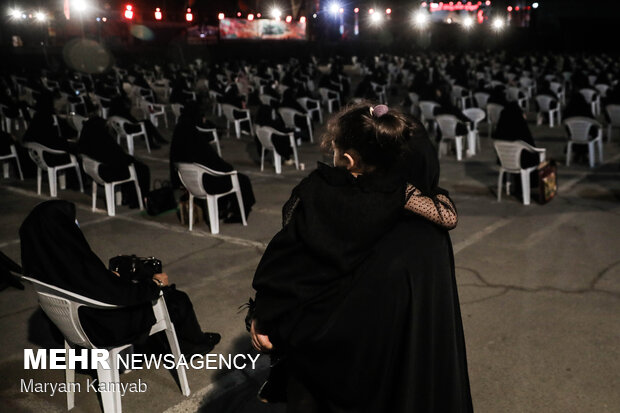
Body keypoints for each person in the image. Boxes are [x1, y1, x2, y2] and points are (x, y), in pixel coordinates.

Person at [250, 103, 472, 412]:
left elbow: (286, 266)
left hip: (320, 366)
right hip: (379, 374)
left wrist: (263, 315)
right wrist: (428, 192)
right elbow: (446, 216)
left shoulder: (315, 196)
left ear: (349, 159)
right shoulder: (407, 208)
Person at [19, 200, 221, 354]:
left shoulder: (44, 261)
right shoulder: (75, 257)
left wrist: (107, 277)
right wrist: (155, 285)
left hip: (72, 324)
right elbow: (117, 296)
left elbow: (88, 283)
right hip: (102, 327)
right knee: (175, 299)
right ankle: (196, 346)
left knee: (143, 286)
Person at [170, 102, 256, 223]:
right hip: (204, 183)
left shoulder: (180, 131)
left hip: (188, 182)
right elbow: (213, 161)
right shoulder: (193, 136)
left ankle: (223, 209)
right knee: (241, 180)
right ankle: (238, 214)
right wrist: (229, 169)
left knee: (229, 176)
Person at [78, 112, 151, 208]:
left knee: (129, 166)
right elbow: (117, 156)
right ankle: (139, 200)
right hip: (105, 173)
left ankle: (127, 197)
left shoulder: (86, 140)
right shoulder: (103, 141)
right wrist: (132, 159)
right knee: (141, 169)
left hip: (94, 172)